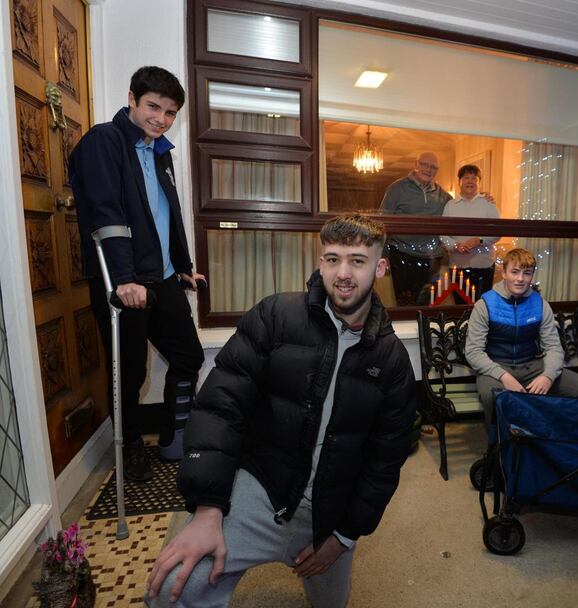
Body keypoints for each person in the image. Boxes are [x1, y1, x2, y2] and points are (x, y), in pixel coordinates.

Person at [145, 215, 417, 608]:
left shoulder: (392, 362)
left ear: (380, 267)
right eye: (333, 259)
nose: (343, 273)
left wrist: (344, 537)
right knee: (171, 588)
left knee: (332, 604)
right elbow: (220, 407)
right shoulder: (275, 316)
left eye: (357, 261)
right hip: (261, 488)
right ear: (320, 263)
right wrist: (207, 508)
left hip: (330, 511)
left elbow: (384, 462)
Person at [70, 66, 204, 482]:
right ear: (132, 99)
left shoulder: (160, 152)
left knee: (189, 356)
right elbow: (107, 213)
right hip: (123, 281)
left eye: (170, 112)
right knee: (128, 373)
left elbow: (165, 215)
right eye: (153, 107)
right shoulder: (104, 141)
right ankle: (129, 449)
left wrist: (182, 267)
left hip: (161, 277)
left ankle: (175, 437)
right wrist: (124, 279)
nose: (161, 119)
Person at [466, 248, 578, 431]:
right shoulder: (485, 305)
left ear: (532, 276)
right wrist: (504, 376)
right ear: (504, 273)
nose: (520, 279)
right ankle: (500, 444)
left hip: (532, 367)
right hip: (495, 369)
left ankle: (563, 438)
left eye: (527, 273)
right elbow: (473, 352)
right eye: (515, 272)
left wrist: (547, 376)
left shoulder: (540, 304)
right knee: (494, 397)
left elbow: (553, 347)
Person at [379, 151, 453, 305]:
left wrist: (481, 197)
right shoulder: (397, 188)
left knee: (428, 303)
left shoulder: (444, 196)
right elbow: (382, 222)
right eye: (424, 164)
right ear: (416, 164)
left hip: (433, 258)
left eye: (433, 167)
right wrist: (382, 254)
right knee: (406, 303)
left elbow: (460, 209)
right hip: (402, 256)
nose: (428, 169)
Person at [441, 164, 500, 302]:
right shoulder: (450, 205)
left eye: (474, 178)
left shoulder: (488, 204)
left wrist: (479, 240)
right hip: (457, 265)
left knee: (482, 306)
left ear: (479, 182)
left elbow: (497, 231)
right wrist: (455, 245)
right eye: (466, 178)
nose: (470, 181)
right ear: (459, 182)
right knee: (460, 305)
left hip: (483, 265)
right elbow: (442, 233)